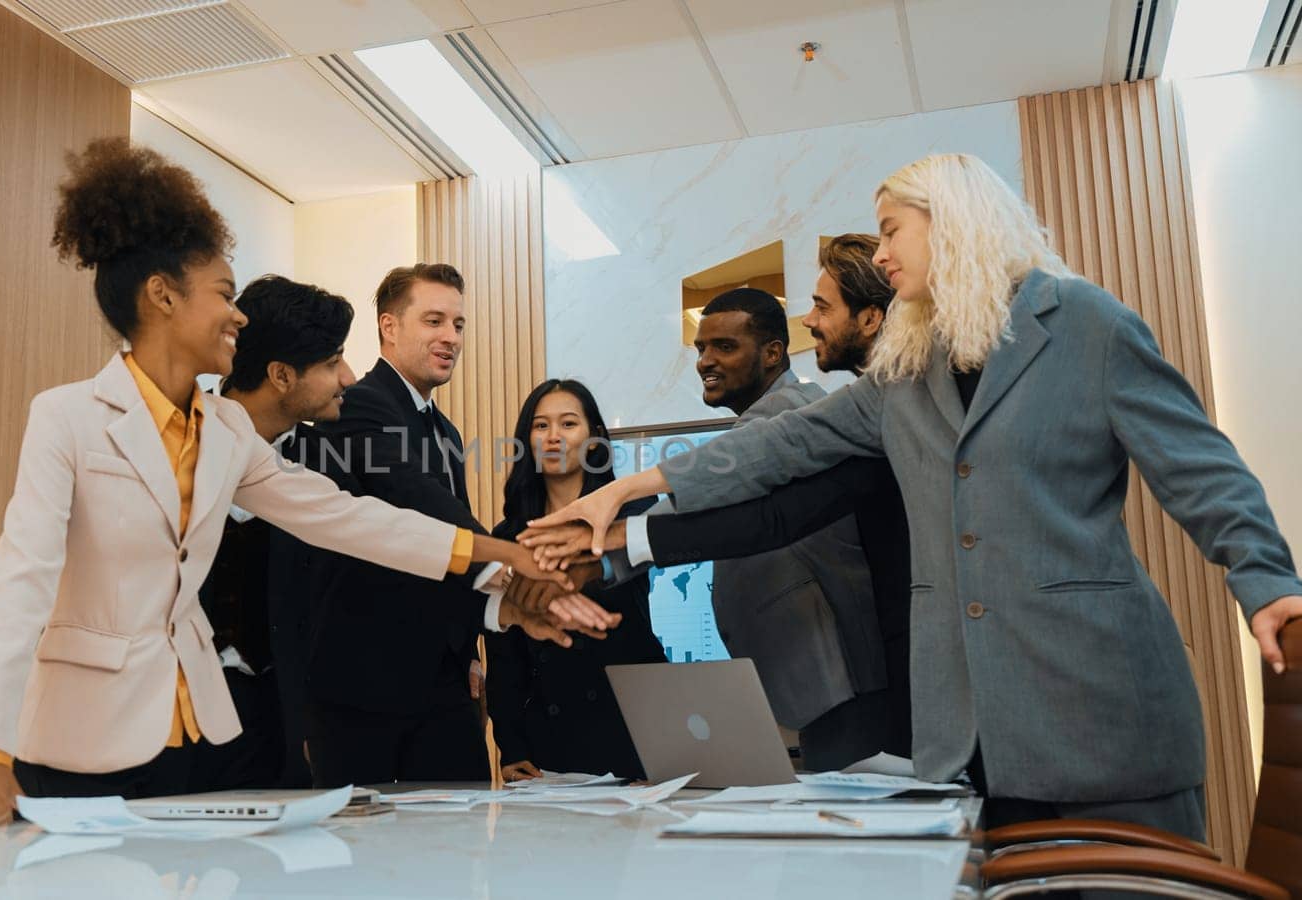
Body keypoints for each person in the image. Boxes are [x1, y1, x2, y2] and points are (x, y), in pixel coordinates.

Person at [526, 153, 1302, 841]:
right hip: (967, 728)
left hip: (1097, 702)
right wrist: (630, 486)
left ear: (955, 222)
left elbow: (1197, 464)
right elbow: (780, 444)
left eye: (894, 230)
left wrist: (1264, 579)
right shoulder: (907, 370)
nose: (884, 253)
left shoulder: (1086, 324)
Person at [0, 141, 590, 831]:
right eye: (223, 295)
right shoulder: (66, 417)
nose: (238, 316)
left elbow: (344, 517)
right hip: (77, 741)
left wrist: (489, 552)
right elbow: (19, 581)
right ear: (162, 296)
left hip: (193, 737)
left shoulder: (227, 431)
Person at [554, 236, 912, 765]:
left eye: (724, 347)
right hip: (824, 680)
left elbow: (727, 497)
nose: (705, 362)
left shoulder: (791, 410)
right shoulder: (818, 409)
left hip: (841, 676)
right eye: (700, 349)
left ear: (771, 353)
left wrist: (606, 543)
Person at [300, 264, 615, 788]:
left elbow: (452, 557)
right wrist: (512, 559)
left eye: (459, 324)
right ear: (390, 327)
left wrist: (469, 648)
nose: (451, 337)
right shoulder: (357, 405)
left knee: (460, 843)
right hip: (366, 686)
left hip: (442, 683)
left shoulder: (445, 430)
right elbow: (419, 504)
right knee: (369, 858)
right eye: (434, 320)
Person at [195, 274, 358, 789]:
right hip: (174, 719)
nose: (349, 378)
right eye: (333, 362)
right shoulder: (176, 447)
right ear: (282, 375)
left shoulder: (328, 464)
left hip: (280, 726)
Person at [486, 379, 667, 781]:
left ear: (594, 437)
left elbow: (626, 571)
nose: (554, 437)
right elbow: (504, 652)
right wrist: (510, 744)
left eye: (568, 424)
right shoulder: (508, 536)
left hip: (636, 719)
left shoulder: (633, 508)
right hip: (551, 736)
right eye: (540, 426)